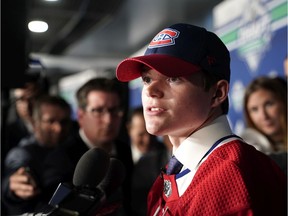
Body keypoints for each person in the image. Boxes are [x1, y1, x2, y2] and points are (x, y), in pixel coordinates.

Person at [116, 23, 286, 215]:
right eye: (147, 79)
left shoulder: (228, 175)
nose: (150, 91)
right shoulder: (178, 169)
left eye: (173, 78)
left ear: (217, 93)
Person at [56, 77, 133, 215]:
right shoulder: (61, 156)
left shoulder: (124, 150)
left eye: (114, 110)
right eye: (98, 111)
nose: (108, 120)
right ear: (81, 116)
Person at [2, 95, 72, 215]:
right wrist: (13, 187)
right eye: (50, 121)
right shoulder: (22, 153)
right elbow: (14, 175)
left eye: (63, 122)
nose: (58, 128)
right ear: (35, 123)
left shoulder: (72, 146)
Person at [241, 76, 287, 174]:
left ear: (283, 102)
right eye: (254, 109)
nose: (263, 116)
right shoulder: (247, 147)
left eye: (269, 104)